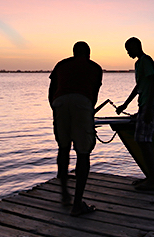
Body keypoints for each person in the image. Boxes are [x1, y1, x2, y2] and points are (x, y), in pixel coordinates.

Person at [48, 41, 103, 216]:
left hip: (60, 102)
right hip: (82, 102)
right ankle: (77, 204)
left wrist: (55, 107)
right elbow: (94, 95)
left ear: (73, 53)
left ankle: (64, 194)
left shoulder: (61, 64)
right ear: (88, 54)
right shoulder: (94, 67)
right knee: (83, 152)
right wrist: (88, 113)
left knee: (63, 148)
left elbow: (51, 90)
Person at [115, 37, 154, 191]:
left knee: (143, 140)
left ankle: (153, 180)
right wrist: (125, 105)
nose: (127, 52)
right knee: (141, 140)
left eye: (129, 49)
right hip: (144, 103)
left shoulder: (146, 60)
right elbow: (139, 87)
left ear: (136, 46)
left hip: (149, 103)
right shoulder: (138, 63)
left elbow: (153, 83)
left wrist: (148, 109)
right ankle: (150, 177)